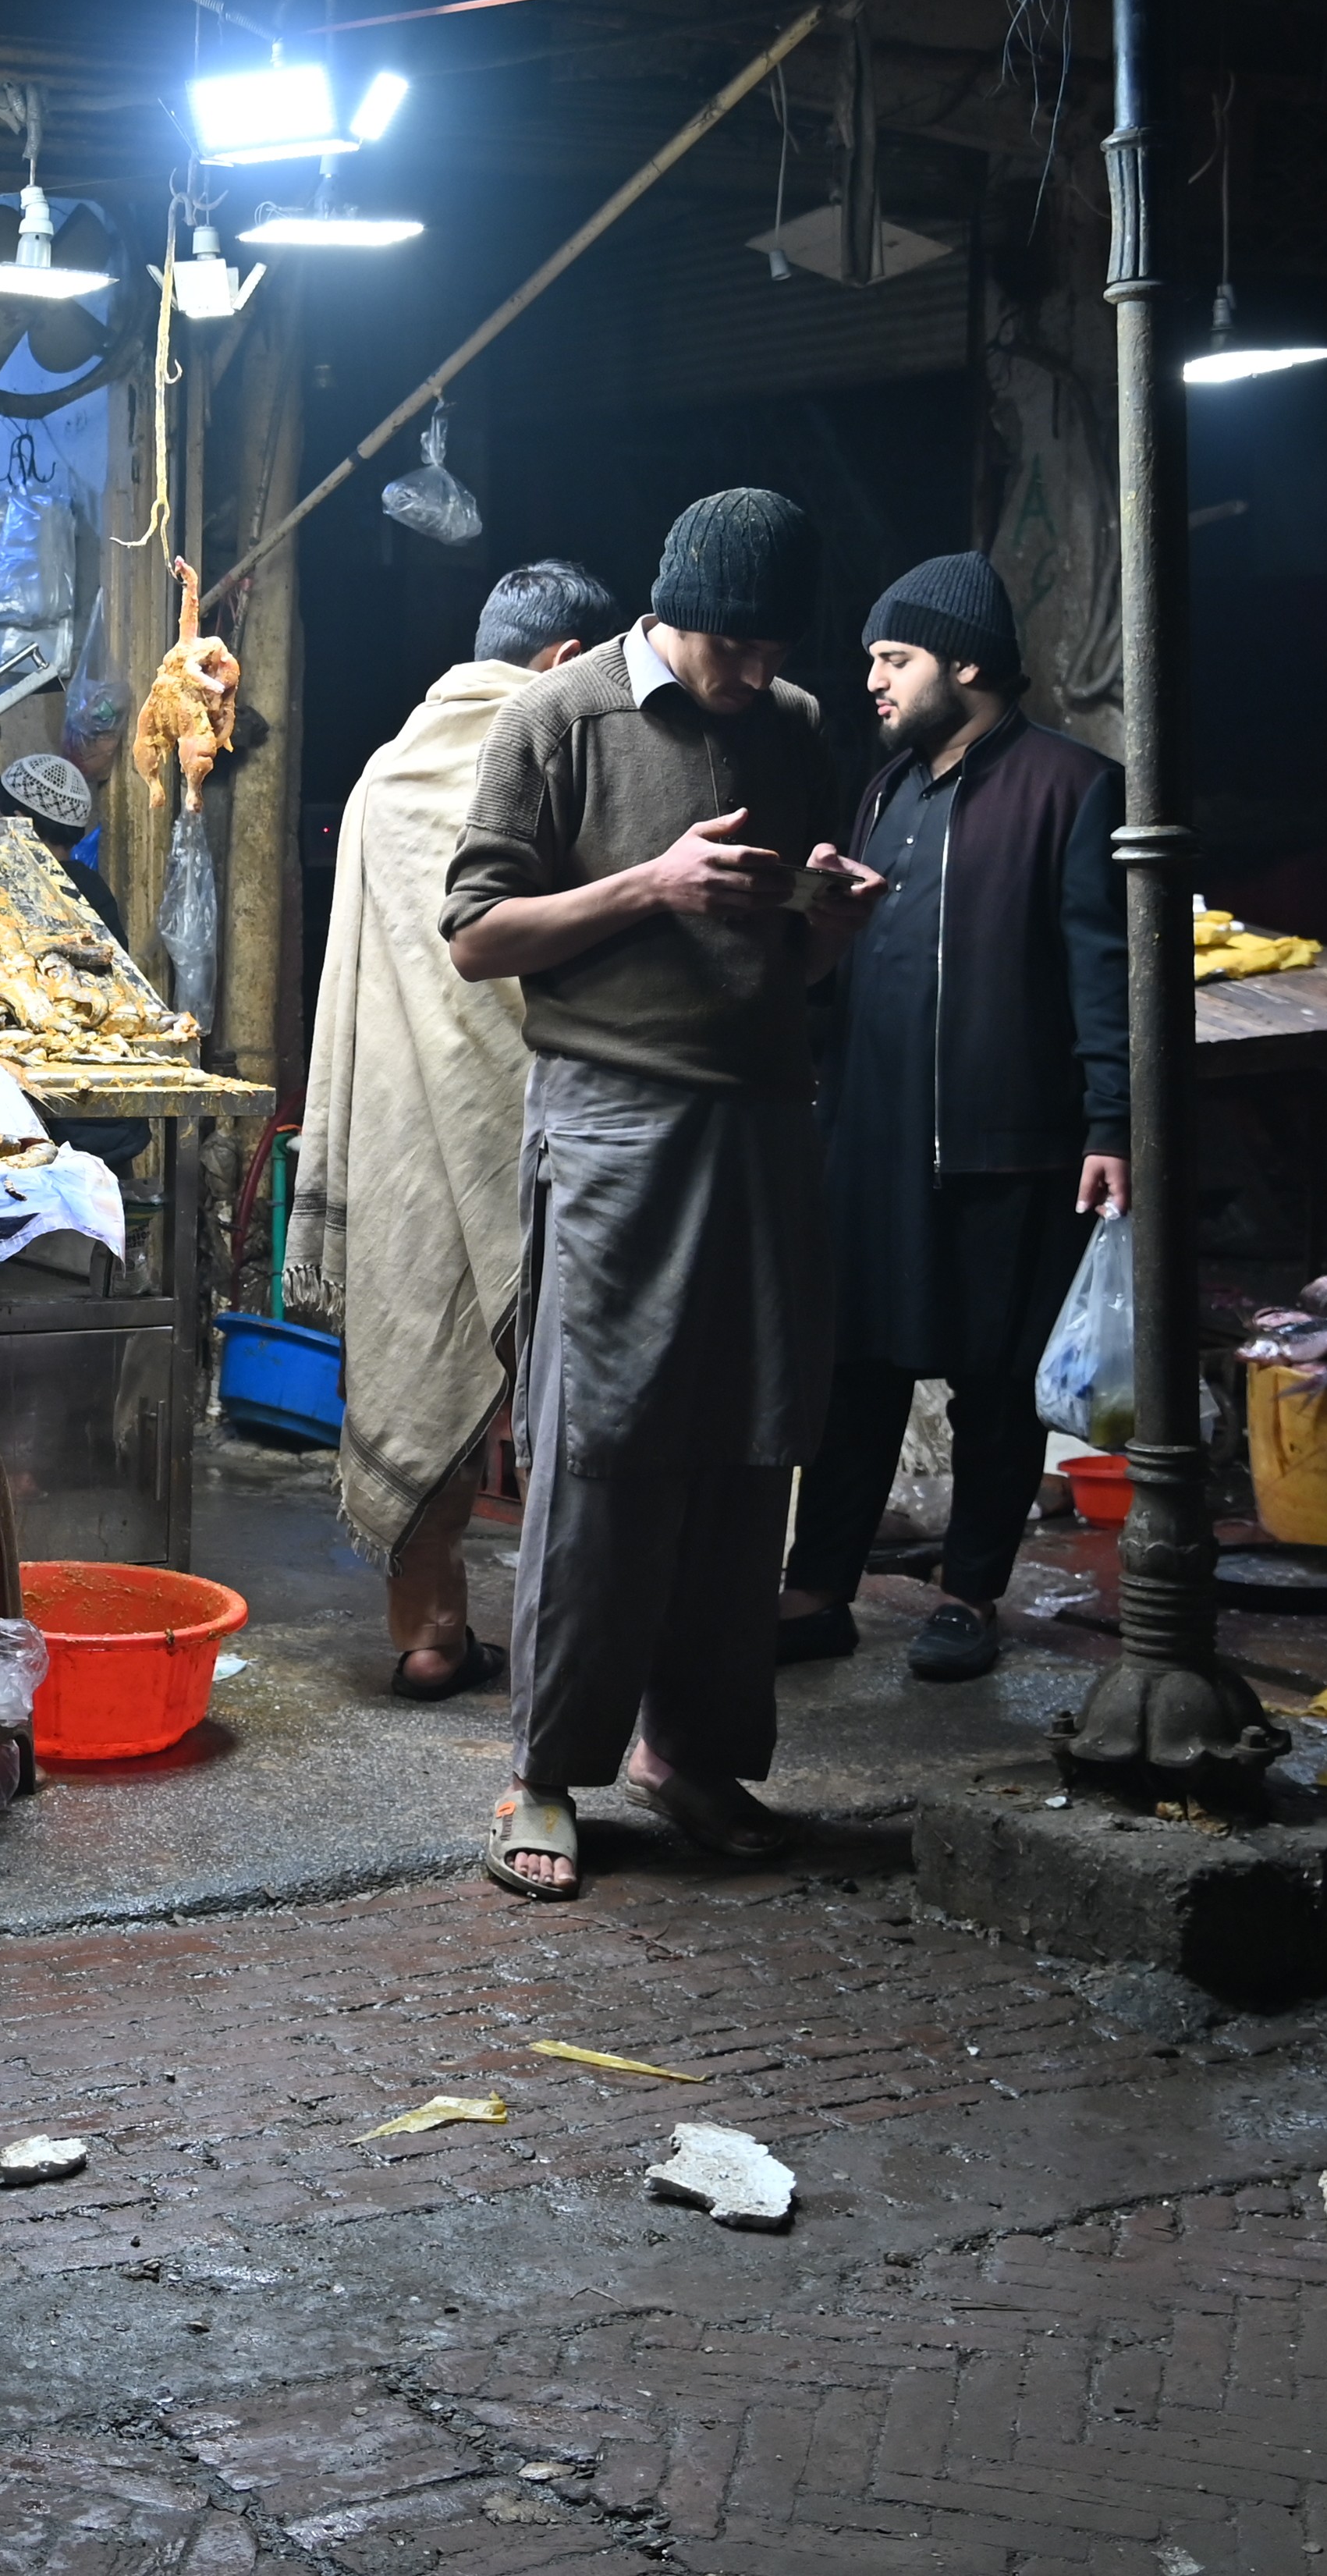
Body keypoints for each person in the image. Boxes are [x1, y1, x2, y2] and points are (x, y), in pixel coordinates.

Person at [440, 490, 885, 1897]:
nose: (757, 675)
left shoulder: (797, 728)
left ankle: (691, 1752)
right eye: (736, 648)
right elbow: (475, 935)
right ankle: (546, 1768)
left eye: (772, 650)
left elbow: (780, 966)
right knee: (603, 1444)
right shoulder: (557, 721)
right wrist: (652, 879)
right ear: (673, 610)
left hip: (760, 1119)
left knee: (749, 1446)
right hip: (615, 1123)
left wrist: (831, 925)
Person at [779, 552, 1130, 1684]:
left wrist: (1110, 1125)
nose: (873, 681)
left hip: (1008, 1148)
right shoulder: (885, 789)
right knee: (853, 1374)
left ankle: (970, 1594)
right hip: (872, 1141)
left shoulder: (1072, 787)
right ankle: (817, 1587)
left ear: (966, 661)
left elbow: (1101, 970)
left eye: (895, 659)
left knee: (994, 1382)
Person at [293, 557, 625, 1704]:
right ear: (565, 662)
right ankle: (569, 1635)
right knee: (567, 1381)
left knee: (417, 1332)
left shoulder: (388, 769)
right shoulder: (558, 746)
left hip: (405, 1117)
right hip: (543, 1107)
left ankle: (430, 1628)